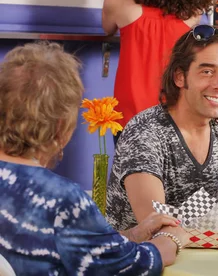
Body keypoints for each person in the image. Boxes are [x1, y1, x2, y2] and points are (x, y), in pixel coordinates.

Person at [0, 42, 190, 275]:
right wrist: (171, 238)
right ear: (61, 126)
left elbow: (81, 247)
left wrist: (131, 235)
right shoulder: (61, 200)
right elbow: (134, 266)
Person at [106, 26, 218, 231]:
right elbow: (155, 224)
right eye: (207, 71)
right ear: (179, 77)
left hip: (194, 252)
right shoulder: (145, 133)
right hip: (144, 257)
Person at [102, 0, 212, 140]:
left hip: (129, 120)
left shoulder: (120, 5)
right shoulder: (194, 17)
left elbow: (107, 28)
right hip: (178, 117)